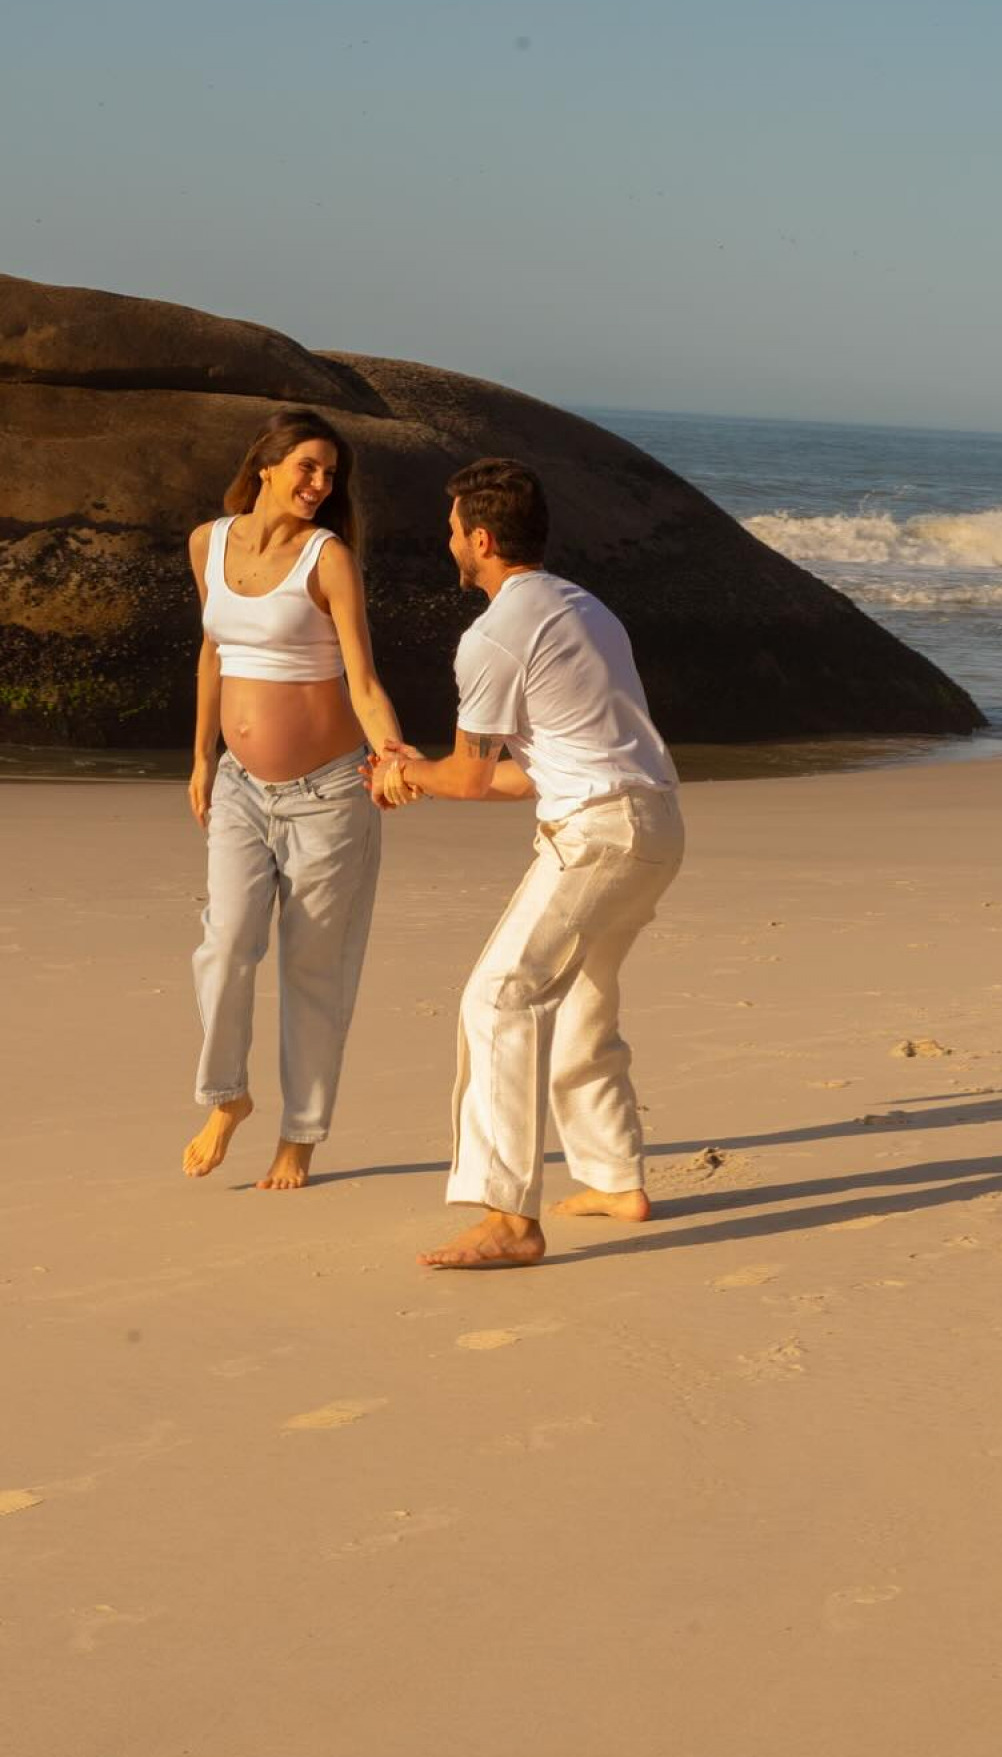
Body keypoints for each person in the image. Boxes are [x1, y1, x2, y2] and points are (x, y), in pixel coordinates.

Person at [370, 458, 683, 1268]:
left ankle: (510, 1219)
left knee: (500, 996)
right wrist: (422, 775)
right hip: (650, 825)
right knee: (580, 999)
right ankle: (615, 1179)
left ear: (479, 538)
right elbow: (535, 770)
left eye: (451, 532)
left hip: (599, 834)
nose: (448, 544)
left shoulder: (496, 635)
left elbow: (471, 776)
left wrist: (408, 775)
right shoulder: (587, 608)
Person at [182, 408, 408, 1192]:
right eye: (308, 467)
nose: (320, 485)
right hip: (242, 790)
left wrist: (392, 755)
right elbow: (213, 652)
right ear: (268, 464)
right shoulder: (208, 543)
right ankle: (228, 1096)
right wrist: (203, 757)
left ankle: (300, 1136)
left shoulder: (329, 558)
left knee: (314, 971)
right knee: (224, 947)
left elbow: (364, 681)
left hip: (328, 795)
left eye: (330, 475)